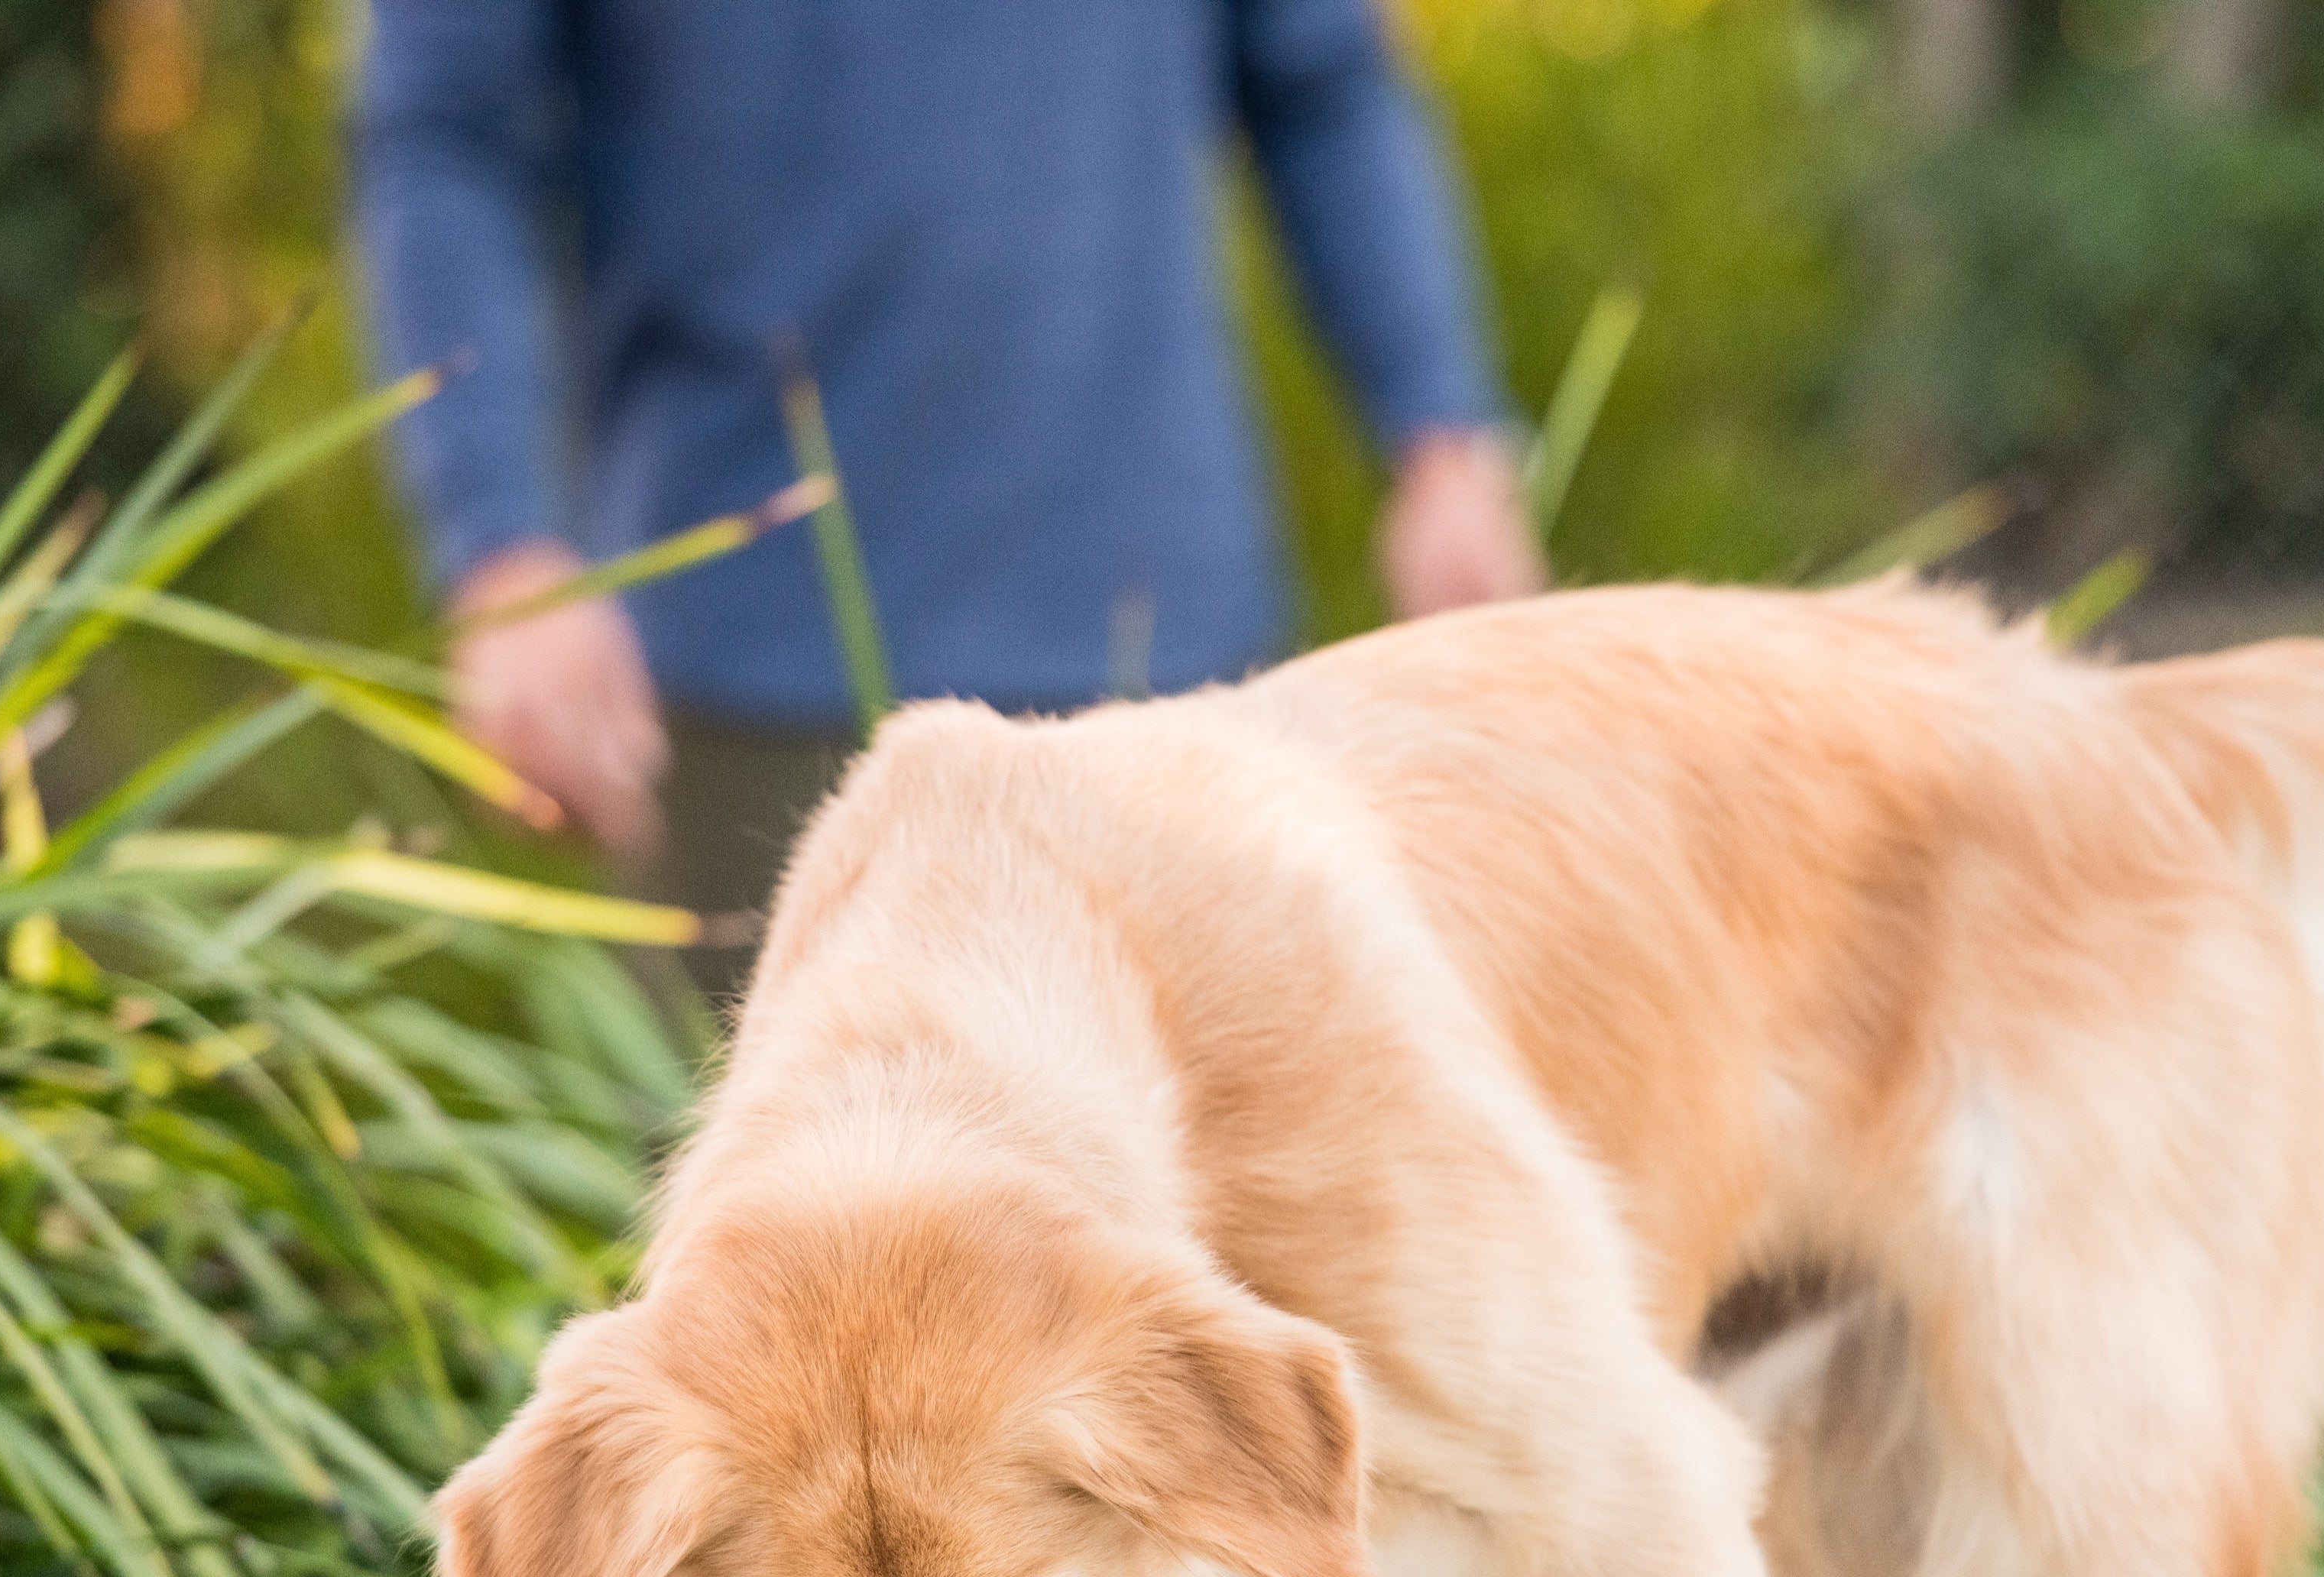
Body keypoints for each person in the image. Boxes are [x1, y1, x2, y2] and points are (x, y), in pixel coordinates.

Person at [350, 2, 1546, 988]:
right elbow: (444, 135)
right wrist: (499, 540)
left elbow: (1321, 81)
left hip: (1173, 667)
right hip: (751, 702)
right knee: (783, 1266)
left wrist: (1441, 432)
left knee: (1228, 1246)